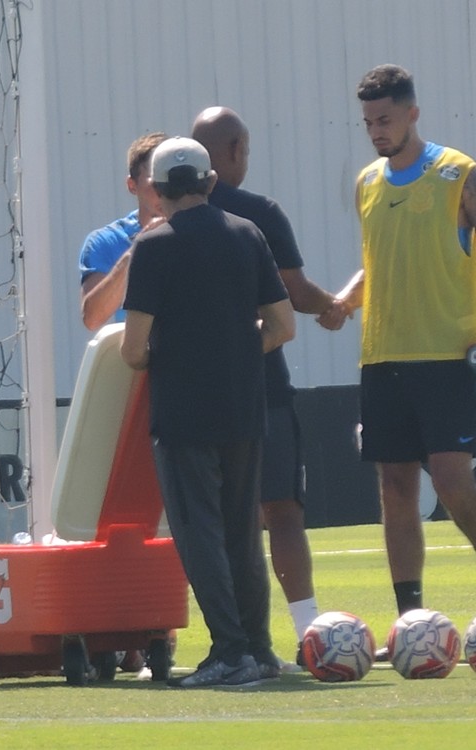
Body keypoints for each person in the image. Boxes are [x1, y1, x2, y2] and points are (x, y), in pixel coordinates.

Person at [120, 136, 295, 687]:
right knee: (244, 530)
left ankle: (229, 652)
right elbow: (284, 325)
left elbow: (132, 349)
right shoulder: (248, 234)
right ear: (210, 181)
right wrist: (239, 350)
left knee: (200, 532)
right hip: (245, 405)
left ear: (157, 189)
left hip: (183, 412)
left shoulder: (154, 247)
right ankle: (260, 648)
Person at [191, 106, 346, 666]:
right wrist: (332, 305)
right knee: (281, 508)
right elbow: (293, 291)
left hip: (193, 394)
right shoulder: (257, 214)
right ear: (234, 150)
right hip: (260, 387)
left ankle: (233, 641)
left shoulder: (163, 223)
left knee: (215, 519)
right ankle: (308, 632)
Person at [334, 64, 476, 653]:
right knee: (395, 485)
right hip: (382, 356)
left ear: (413, 113)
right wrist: (346, 299)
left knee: (448, 479)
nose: (376, 131)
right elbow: (381, 258)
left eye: (385, 119)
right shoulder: (368, 181)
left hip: (445, 353)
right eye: (368, 122)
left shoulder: (458, 174)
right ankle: (409, 621)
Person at [79, 132, 167, 331]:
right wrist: (139, 250)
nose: (164, 192)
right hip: (133, 359)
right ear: (132, 185)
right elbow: (92, 318)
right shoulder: (105, 241)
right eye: (156, 183)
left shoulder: (196, 230)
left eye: (170, 181)